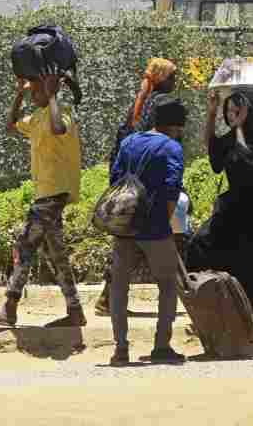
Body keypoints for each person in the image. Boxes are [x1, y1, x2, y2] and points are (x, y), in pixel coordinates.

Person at [0, 75, 85, 328]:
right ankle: (75, 310)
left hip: (54, 192)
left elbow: (58, 128)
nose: (32, 94)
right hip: (45, 193)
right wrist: (18, 94)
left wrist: (52, 95)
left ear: (50, 89)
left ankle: (10, 306)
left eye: (35, 90)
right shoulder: (36, 117)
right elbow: (11, 125)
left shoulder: (62, 112)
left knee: (24, 245)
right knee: (56, 254)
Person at [107, 96, 187, 366]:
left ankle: (120, 349)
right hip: (155, 228)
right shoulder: (172, 147)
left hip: (125, 226)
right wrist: (163, 221)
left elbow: (115, 177)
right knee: (167, 285)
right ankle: (161, 346)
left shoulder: (129, 141)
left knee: (119, 287)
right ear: (175, 125)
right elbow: (172, 187)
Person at [96, 58, 178, 315]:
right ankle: (109, 298)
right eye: (172, 77)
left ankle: (108, 298)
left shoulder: (141, 101)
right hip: (145, 185)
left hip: (129, 181)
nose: (175, 82)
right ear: (162, 78)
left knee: (128, 240)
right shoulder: (158, 103)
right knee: (141, 239)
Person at [185, 90, 253, 327]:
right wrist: (211, 114)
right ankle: (217, 309)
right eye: (230, 110)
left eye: (238, 110)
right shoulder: (230, 136)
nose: (232, 114)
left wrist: (241, 129)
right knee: (199, 246)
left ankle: (251, 319)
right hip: (231, 208)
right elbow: (214, 156)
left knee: (252, 266)